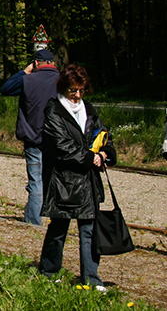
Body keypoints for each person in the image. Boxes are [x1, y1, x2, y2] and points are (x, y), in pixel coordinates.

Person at [39, 64, 116, 291]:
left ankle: (91, 278)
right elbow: (61, 145)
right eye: (73, 90)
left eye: (81, 90)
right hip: (63, 180)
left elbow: (104, 136)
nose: (77, 95)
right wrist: (89, 157)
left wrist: (105, 155)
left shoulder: (90, 110)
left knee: (89, 230)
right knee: (59, 228)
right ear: (64, 89)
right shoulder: (53, 111)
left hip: (88, 181)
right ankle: (49, 271)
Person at [0, 48, 60, 225]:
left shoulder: (28, 80)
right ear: (53, 64)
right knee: (54, 180)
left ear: (36, 64)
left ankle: (34, 222)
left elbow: (6, 89)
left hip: (33, 139)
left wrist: (24, 71)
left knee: (36, 183)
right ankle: (56, 220)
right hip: (56, 140)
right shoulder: (62, 81)